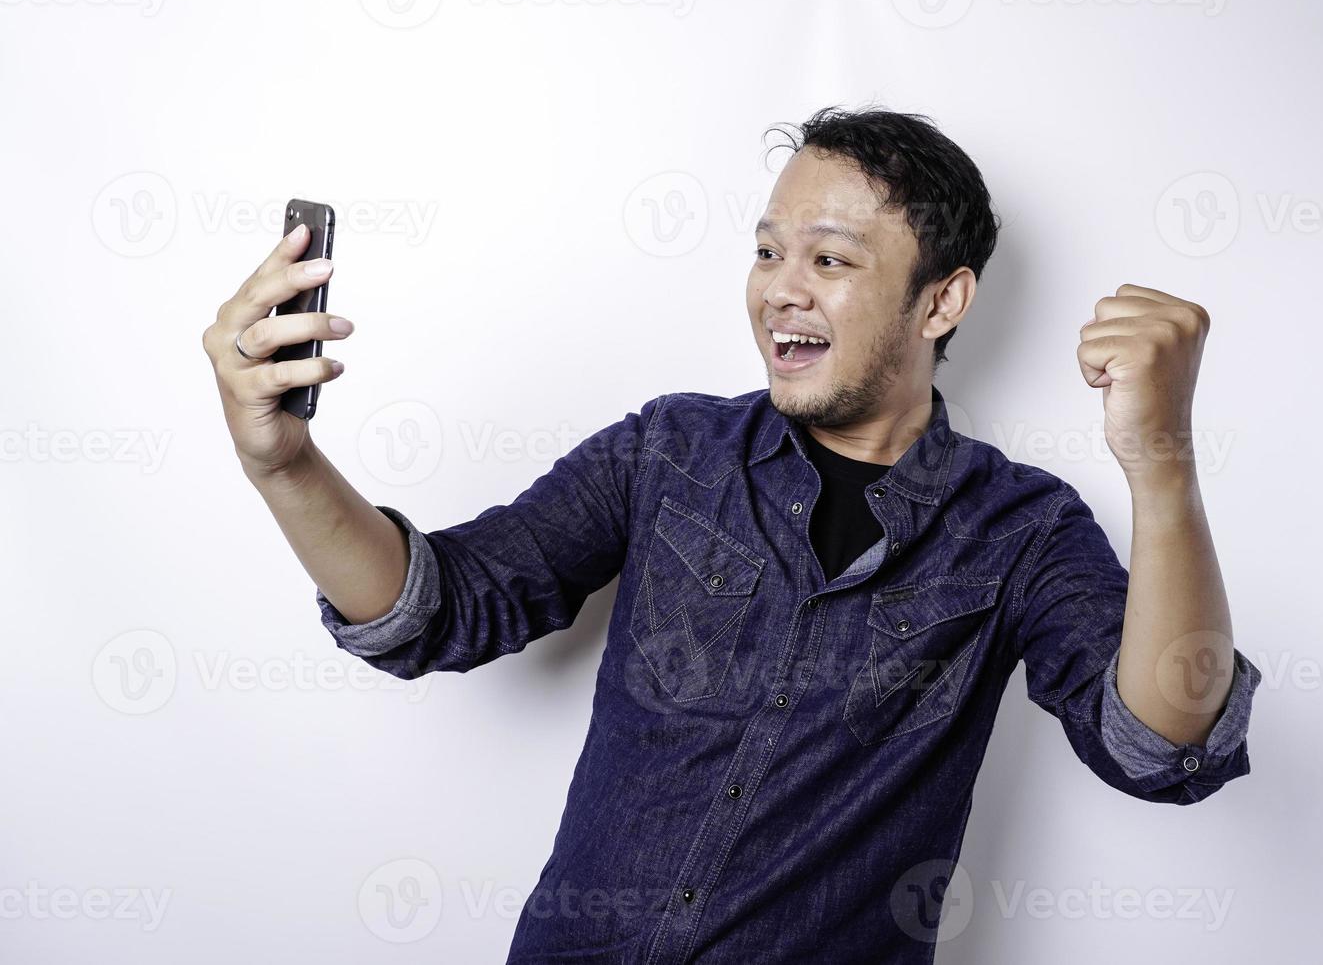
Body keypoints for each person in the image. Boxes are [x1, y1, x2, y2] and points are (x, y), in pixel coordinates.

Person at [201, 105, 1261, 963]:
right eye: (767, 250)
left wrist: (1160, 461)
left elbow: (1158, 744)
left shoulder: (1020, 527)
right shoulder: (667, 451)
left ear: (942, 301)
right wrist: (283, 463)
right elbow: (435, 609)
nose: (779, 288)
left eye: (832, 260)